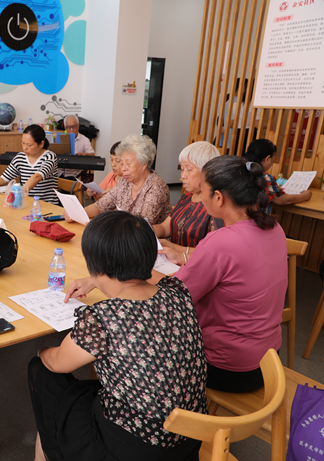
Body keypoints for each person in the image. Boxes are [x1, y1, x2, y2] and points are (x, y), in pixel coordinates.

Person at [31, 211, 207, 461]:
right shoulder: (178, 290)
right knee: (88, 389)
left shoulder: (103, 317)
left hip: (134, 448)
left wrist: (41, 350)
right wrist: (99, 279)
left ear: (96, 265)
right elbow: (150, 277)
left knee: (40, 370)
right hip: (189, 439)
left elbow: (57, 363)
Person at [160, 155, 287, 392]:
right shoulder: (274, 228)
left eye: (203, 191)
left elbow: (172, 299)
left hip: (228, 368)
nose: (201, 198)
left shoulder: (220, 241)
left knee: (141, 339)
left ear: (218, 197)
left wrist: (146, 272)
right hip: (269, 360)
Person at [69, 134, 171, 224]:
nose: (123, 168)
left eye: (128, 164)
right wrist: (77, 213)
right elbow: (100, 206)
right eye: (122, 163)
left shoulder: (156, 187)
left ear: (144, 163)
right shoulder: (124, 182)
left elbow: (142, 224)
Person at [153, 141, 222, 257]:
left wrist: (174, 248)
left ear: (208, 172)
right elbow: (165, 228)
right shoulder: (188, 195)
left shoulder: (216, 204)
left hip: (193, 263)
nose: (183, 175)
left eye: (189, 169)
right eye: (182, 169)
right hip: (172, 259)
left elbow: (213, 253)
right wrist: (145, 230)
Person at [0, 124, 59, 204]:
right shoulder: (20, 157)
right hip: (27, 203)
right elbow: (3, 179)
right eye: (23, 143)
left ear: (41, 144)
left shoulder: (49, 157)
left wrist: (20, 191)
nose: (24, 148)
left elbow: (37, 177)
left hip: (47, 206)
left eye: (29, 145)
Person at [243, 138, 312, 213]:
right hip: (252, 218)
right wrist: (306, 195)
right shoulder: (265, 177)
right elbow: (286, 200)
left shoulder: (238, 170)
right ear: (267, 159)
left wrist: (273, 188)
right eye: (273, 157)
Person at [58, 114, 95, 179]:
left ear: (78, 126)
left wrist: (83, 154)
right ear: (65, 127)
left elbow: (92, 154)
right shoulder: (59, 137)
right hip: (58, 174)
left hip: (74, 176)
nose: (72, 129)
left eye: (74, 126)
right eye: (68, 127)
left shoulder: (84, 140)